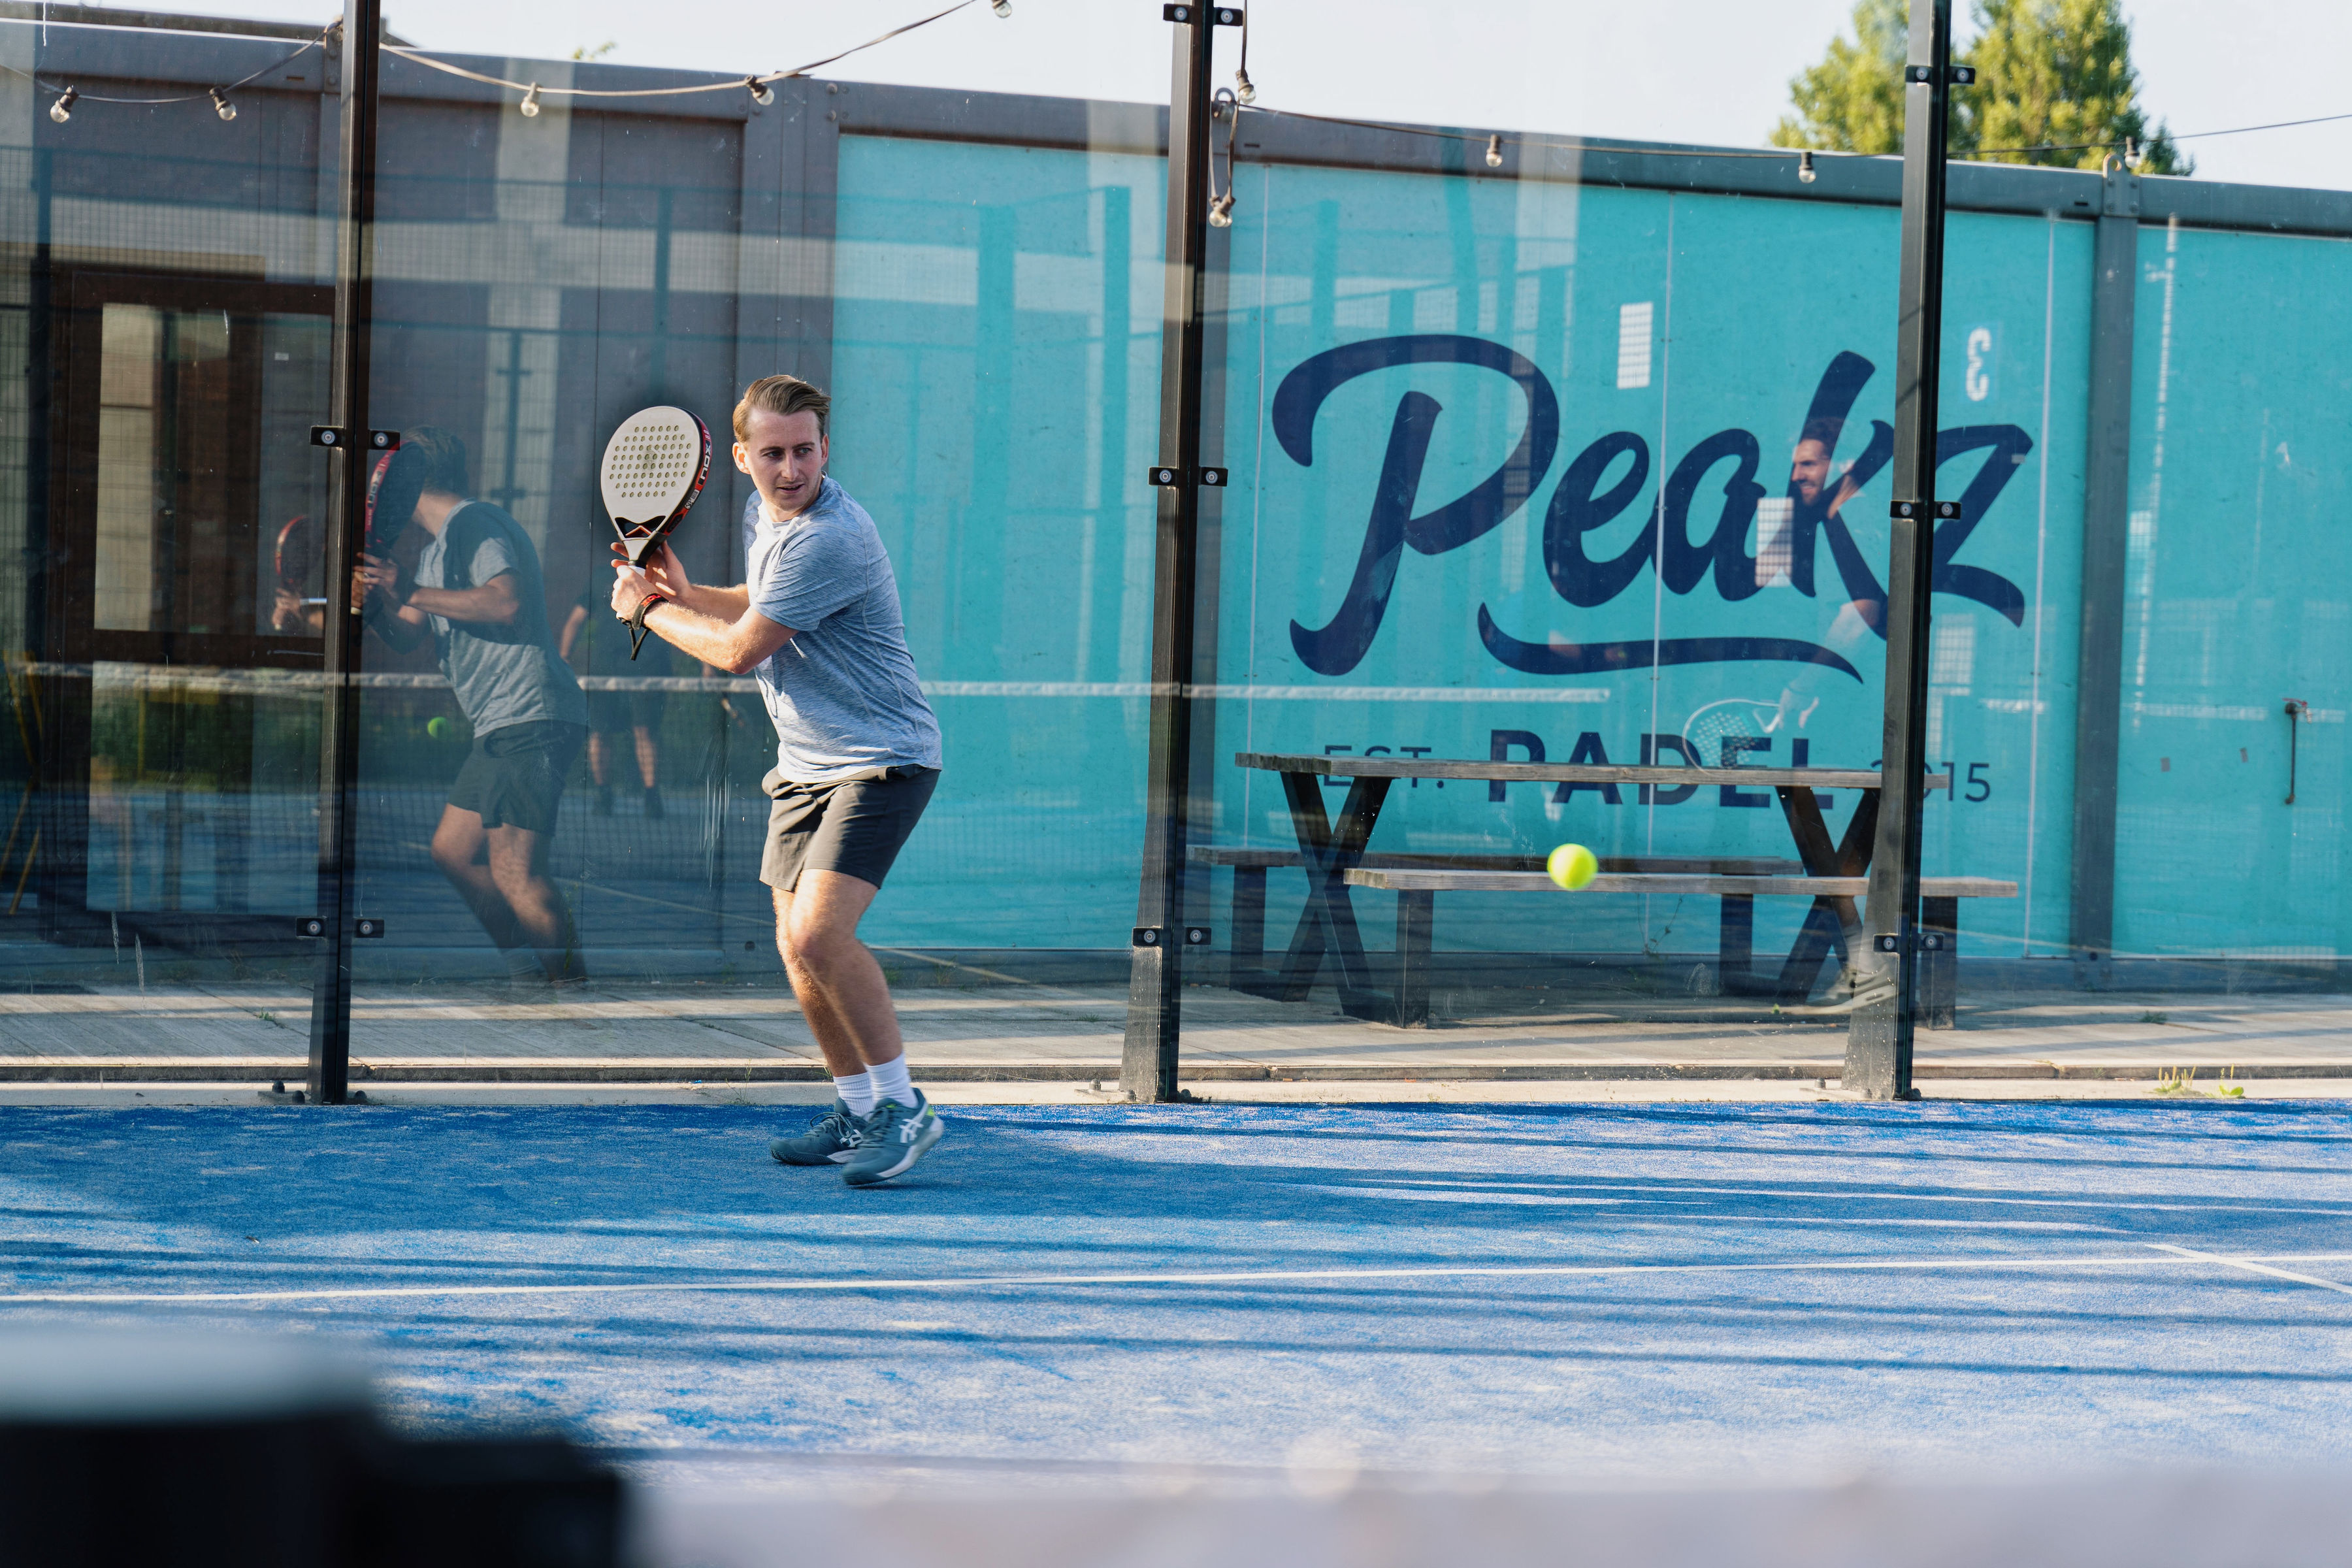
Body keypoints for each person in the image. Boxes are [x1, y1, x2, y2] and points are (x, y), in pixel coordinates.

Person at [606, 374, 945, 1188]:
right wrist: (687, 594)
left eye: (804, 452)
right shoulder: (770, 517)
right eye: (773, 454)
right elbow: (758, 605)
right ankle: (857, 1110)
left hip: (880, 760)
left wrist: (647, 610)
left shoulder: (831, 537)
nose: (790, 469)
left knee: (822, 935)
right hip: (803, 767)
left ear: (826, 450)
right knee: (797, 948)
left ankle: (905, 1109)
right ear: (741, 457)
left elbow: (739, 651)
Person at [354, 427, 589, 988]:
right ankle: (528, 973)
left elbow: (506, 603)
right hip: (501, 723)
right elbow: (410, 634)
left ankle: (577, 997)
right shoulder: (436, 551)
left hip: (529, 714)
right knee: (454, 852)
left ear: (409, 483)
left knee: (516, 870)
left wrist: (408, 591)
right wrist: (378, 606)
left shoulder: (474, 523)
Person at [559, 581, 668, 819]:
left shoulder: (659, 579)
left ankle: (652, 797)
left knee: (645, 731)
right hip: (604, 672)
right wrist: (564, 658)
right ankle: (603, 795)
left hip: (647, 670)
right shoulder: (600, 579)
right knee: (600, 732)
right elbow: (576, 619)